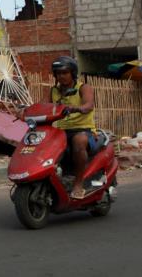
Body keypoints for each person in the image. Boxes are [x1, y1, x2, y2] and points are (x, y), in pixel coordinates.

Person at [45, 56, 95, 199]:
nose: (61, 76)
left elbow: (88, 104)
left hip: (82, 129)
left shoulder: (83, 88)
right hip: (60, 131)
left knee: (78, 141)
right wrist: (25, 110)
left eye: (64, 72)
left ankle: (78, 183)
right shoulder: (53, 91)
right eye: (58, 73)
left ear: (72, 73)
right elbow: (44, 106)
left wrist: (77, 108)